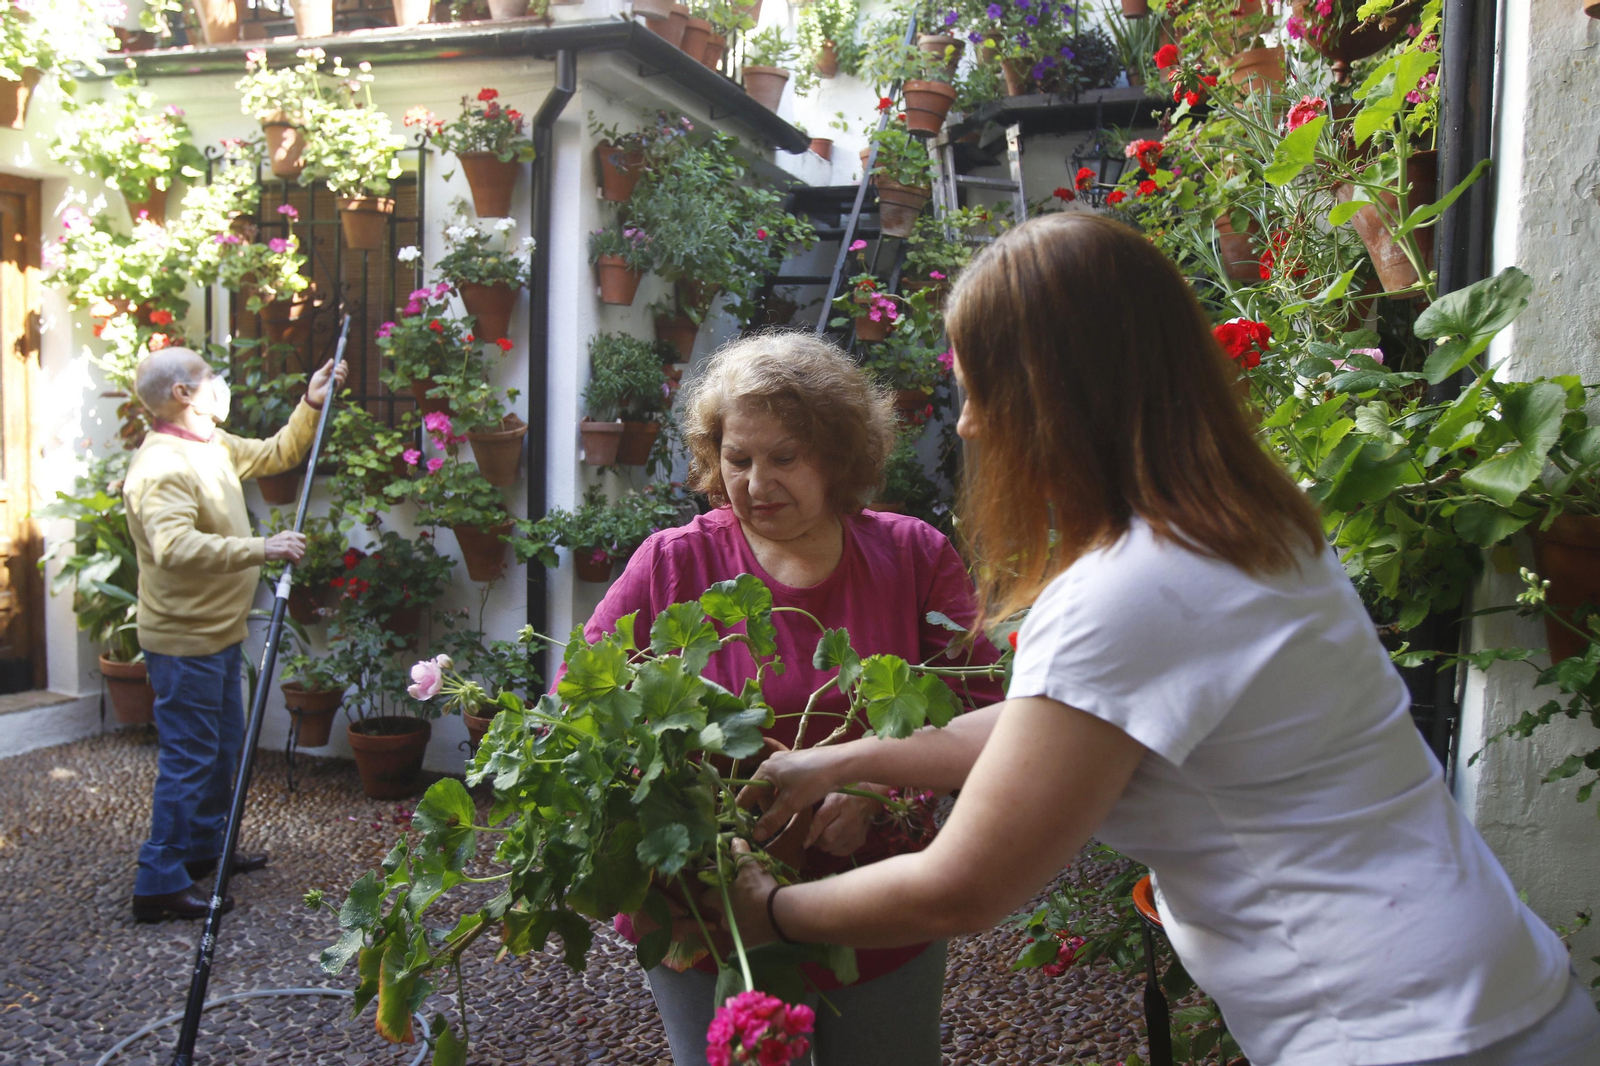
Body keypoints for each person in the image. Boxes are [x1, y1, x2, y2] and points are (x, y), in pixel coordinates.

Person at [723, 215, 1600, 1066]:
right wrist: (845, 760)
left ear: (1046, 400)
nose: (966, 425)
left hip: (1394, 1029)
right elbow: (1061, 727)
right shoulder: (1248, 526)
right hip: (1494, 989)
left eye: (977, 390)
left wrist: (774, 910)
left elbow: (964, 884)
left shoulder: (1127, 594)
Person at [572, 332, 1003, 1066]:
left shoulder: (913, 555)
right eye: (737, 459)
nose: (754, 482)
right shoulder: (674, 563)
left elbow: (983, 708)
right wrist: (702, 816)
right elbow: (581, 710)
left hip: (877, 895)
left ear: (836, 457)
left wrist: (879, 781)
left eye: (783, 458)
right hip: (707, 905)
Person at [126, 346, 346, 922]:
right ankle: (158, 879)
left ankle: (201, 851)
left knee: (220, 749)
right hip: (183, 642)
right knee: (190, 758)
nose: (219, 382)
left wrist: (311, 403)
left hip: (215, 635)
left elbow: (277, 453)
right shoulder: (162, 467)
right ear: (184, 394)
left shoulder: (211, 446)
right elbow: (175, 548)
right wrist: (262, 548)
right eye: (208, 374)